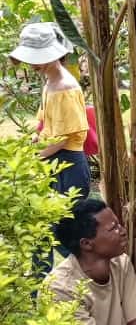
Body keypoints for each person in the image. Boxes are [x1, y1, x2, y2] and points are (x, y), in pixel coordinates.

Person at [10, 22, 91, 198]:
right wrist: (36, 138)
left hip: (68, 164)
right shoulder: (50, 83)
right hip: (52, 157)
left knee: (68, 222)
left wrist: (32, 159)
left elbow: (62, 139)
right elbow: (44, 122)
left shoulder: (64, 87)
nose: (33, 64)